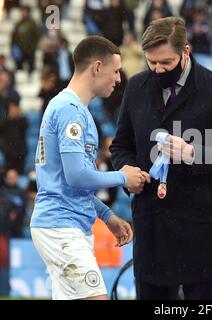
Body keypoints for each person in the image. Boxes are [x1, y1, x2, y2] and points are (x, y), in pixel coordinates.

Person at [110, 17, 212, 300]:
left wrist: (192, 153)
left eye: (166, 63)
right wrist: (126, 172)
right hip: (152, 232)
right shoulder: (136, 87)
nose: (158, 69)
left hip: (201, 234)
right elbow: (120, 146)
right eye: (152, 62)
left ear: (185, 51)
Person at [30, 36, 150, 300]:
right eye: (115, 70)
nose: (118, 79)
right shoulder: (69, 110)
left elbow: (70, 182)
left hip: (65, 224)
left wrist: (107, 216)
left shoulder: (75, 110)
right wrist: (123, 177)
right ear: (97, 67)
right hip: (61, 227)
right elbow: (76, 176)